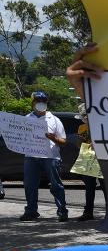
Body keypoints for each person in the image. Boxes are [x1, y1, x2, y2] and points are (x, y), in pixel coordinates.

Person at [20, 91, 69, 222]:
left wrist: (54, 138)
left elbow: (63, 142)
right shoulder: (26, 119)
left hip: (51, 157)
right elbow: (20, 138)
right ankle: (31, 211)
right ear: (33, 103)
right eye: (37, 101)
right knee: (30, 185)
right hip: (31, 156)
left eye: (43, 102)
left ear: (46, 103)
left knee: (56, 185)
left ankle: (62, 211)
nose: (40, 104)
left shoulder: (54, 120)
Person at [74, 103, 107, 221]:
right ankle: (88, 212)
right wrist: (82, 140)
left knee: (105, 186)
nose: (85, 117)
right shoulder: (82, 128)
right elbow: (78, 144)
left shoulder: (102, 125)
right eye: (83, 115)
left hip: (101, 157)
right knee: (89, 186)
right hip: (87, 156)